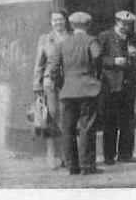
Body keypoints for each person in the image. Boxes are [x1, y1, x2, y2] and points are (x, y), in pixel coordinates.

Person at [50, 11, 103, 175]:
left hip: (67, 91)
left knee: (68, 129)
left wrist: (62, 84)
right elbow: (98, 57)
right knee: (87, 128)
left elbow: (53, 69)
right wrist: (95, 78)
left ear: (71, 25)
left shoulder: (62, 44)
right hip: (88, 89)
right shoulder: (91, 41)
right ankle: (87, 166)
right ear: (88, 25)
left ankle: (72, 166)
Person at [98, 10, 136, 165]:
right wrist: (113, 61)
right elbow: (97, 59)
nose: (126, 27)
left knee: (128, 121)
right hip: (110, 84)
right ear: (116, 22)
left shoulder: (133, 36)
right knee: (109, 121)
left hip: (129, 84)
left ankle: (125, 154)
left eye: (128, 25)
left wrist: (135, 53)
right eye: (123, 24)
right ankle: (109, 156)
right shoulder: (105, 36)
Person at [33, 8, 71, 170]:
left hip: (68, 83)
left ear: (66, 20)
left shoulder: (72, 37)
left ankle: (65, 155)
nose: (58, 22)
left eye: (60, 19)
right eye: (55, 20)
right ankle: (51, 154)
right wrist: (37, 85)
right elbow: (39, 64)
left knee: (66, 118)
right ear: (51, 22)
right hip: (50, 84)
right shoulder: (45, 39)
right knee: (51, 118)